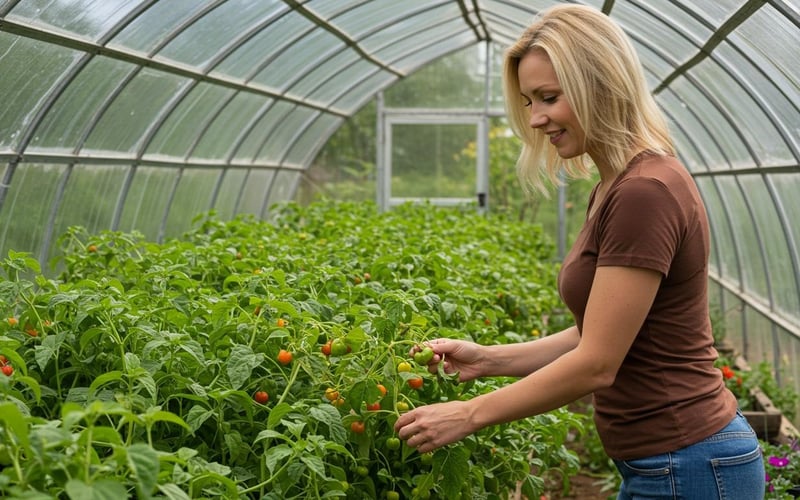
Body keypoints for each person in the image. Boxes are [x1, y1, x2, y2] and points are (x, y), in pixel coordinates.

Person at [394, 4, 765, 499]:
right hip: (671, 463)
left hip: (689, 465)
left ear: (601, 84)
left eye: (548, 97)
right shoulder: (616, 184)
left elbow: (597, 363)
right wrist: (486, 360)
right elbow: (597, 331)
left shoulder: (643, 192)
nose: (536, 118)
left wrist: (468, 414)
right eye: (529, 101)